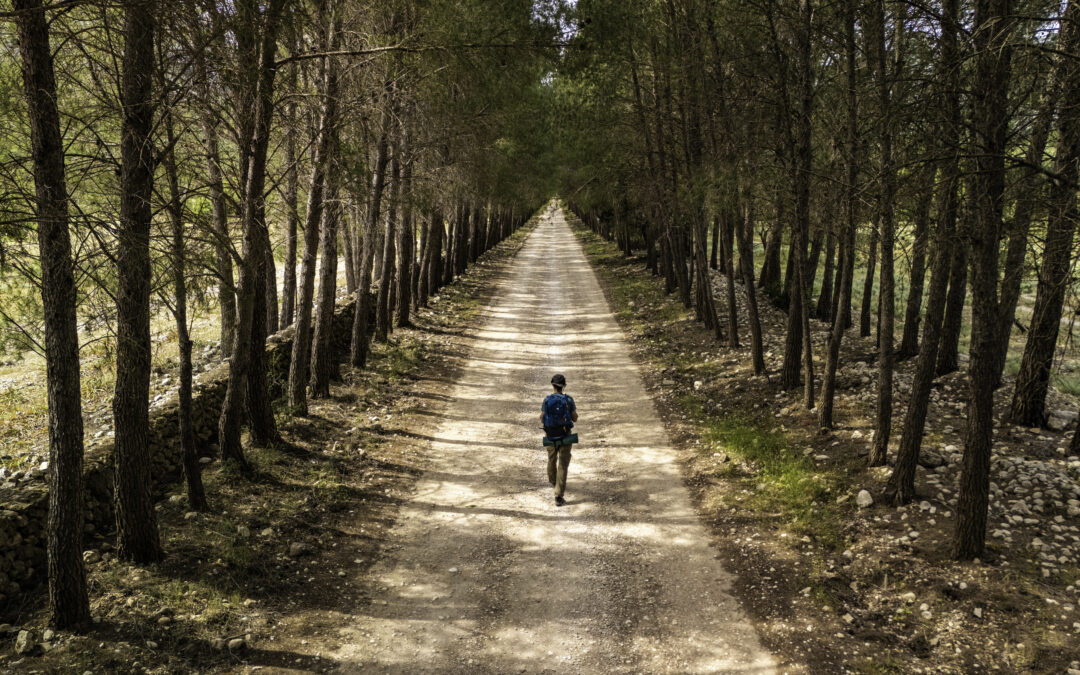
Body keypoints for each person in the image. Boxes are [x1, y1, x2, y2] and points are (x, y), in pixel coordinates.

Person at [541, 373, 578, 506]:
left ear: (552, 385)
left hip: (550, 436)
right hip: (565, 436)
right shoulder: (568, 400)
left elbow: (541, 417)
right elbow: (575, 418)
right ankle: (558, 495)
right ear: (564, 386)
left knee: (551, 458)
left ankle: (553, 481)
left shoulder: (547, 400)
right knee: (563, 464)